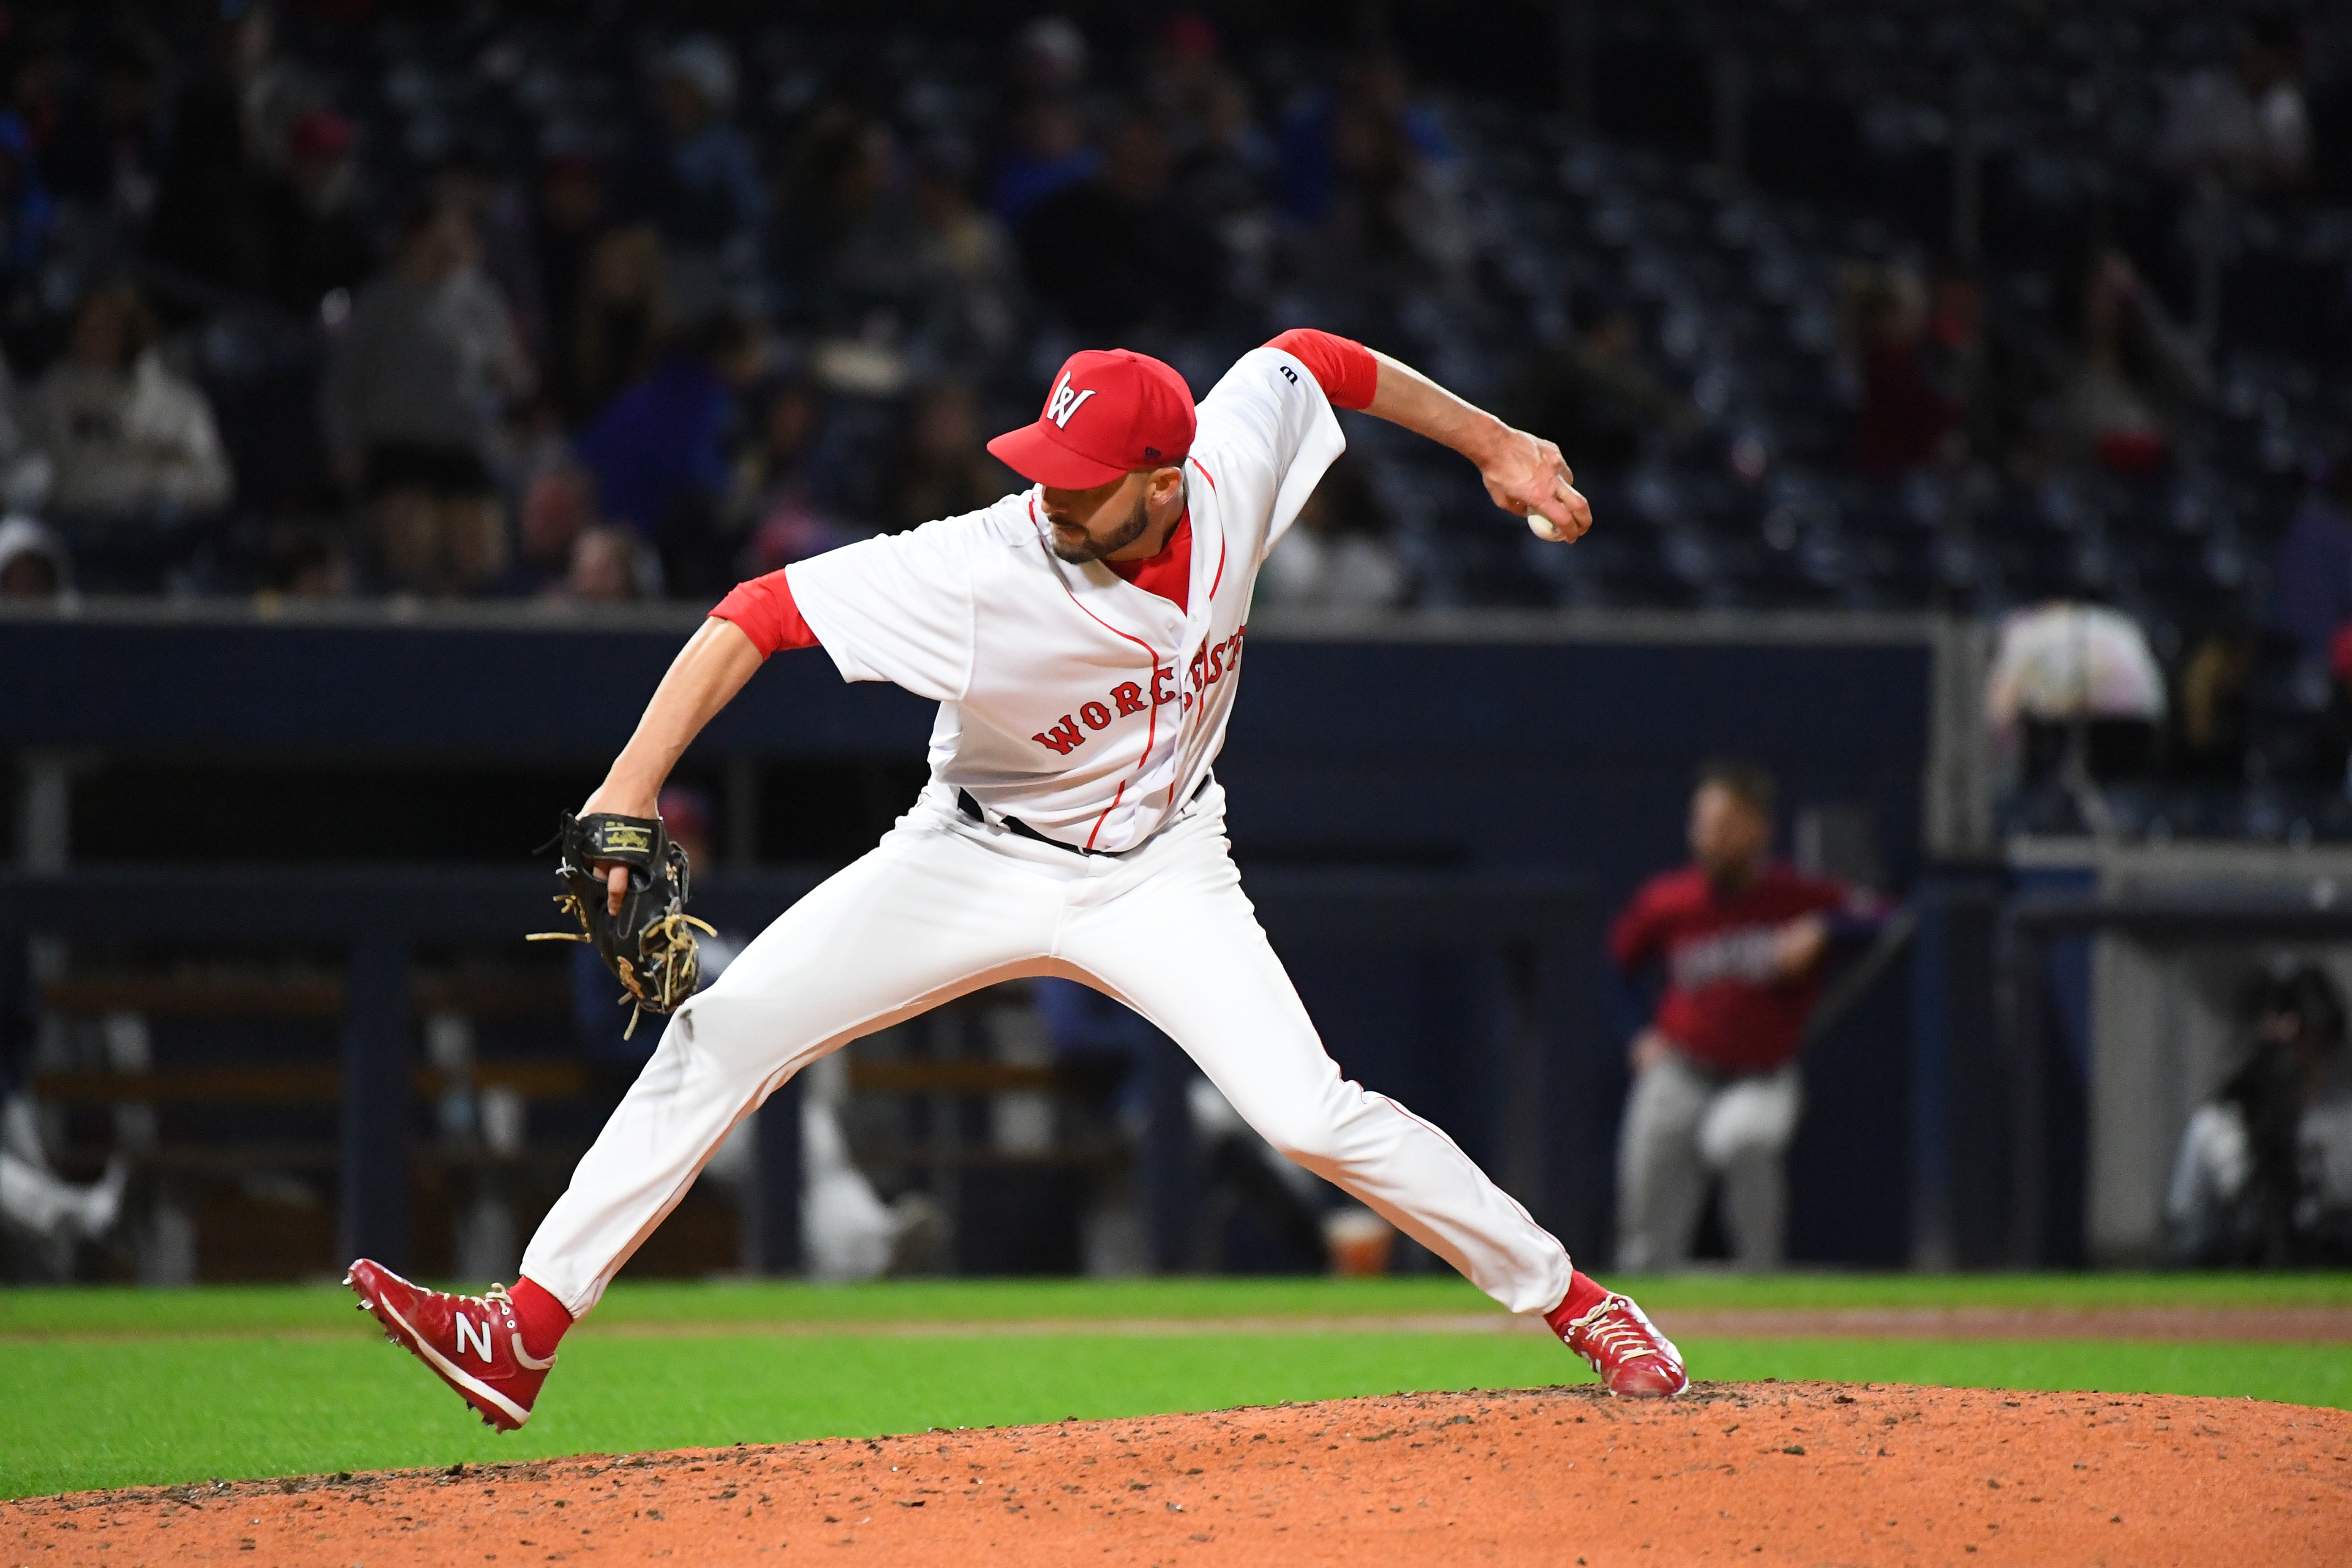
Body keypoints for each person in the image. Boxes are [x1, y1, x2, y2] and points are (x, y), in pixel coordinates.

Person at [346, 326, 1692, 1432]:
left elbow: (1317, 358)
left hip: (1166, 867)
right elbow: (754, 613)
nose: (1052, 493)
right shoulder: (985, 568)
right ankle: (520, 1331)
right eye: (1045, 465)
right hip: (970, 855)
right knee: (725, 1026)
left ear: (1169, 477)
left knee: (1310, 1116)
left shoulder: (1226, 459)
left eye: (1084, 476)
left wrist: (1501, 445)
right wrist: (628, 783)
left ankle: (1575, 1301)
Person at [1609, 760, 1880, 1271]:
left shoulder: (1795, 897)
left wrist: (1827, 928)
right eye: (1703, 824)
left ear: (1758, 827)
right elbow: (1615, 963)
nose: (1708, 837)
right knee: (1646, 1213)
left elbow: (1886, 915)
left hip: (1762, 1073)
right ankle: (1638, 1327)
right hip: (1682, 1067)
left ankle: (1761, 1289)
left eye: (1724, 824)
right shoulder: (1672, 899)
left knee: (1743, 1140)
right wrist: (1635, 1032)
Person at [322, 199, 533, 596]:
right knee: (414, 541)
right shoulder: (379, 303)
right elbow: (343, 385)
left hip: (464, 447)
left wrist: (510, 377)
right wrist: (344, 444)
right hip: (399, 449)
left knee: (482, 550)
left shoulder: (480, 299)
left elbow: (516, 378)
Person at [2164, 964, 2352, 1266]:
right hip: (2224, 1263)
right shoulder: (2218, 1122)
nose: (2298, 1054)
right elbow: (2186, 1223)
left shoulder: (2339, 1115)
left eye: (2310, 1039)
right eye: (2286, 1040)